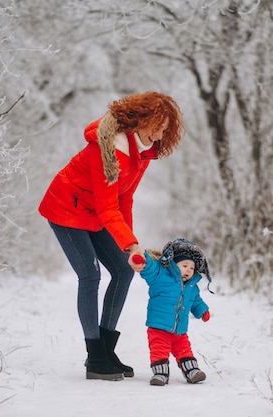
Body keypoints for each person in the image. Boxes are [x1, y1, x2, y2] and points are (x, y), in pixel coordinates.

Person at [38, 92, 185, 381]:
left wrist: (129, 247)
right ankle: (95, 357)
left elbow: (124, 200)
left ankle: (106, 348)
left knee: (122, 270)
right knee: (90, 276)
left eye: (165, 129)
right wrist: (130, 243)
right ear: (139, 120)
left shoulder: (142, 151)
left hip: (95, 211)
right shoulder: (109, 151)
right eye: (156, 125)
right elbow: (108, 207)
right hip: (67, 208)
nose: (159, 134)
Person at [135, 238, 213, 386]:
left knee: (184, 350)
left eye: (192, 268)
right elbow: (150, 268)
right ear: (173, 263)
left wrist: (203, 311)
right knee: (159, 351)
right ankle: (160, 373)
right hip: (158, 327)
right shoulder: (160, 275)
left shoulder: (192, 287)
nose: (189, 270)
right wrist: (142, 259)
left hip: (179, 330)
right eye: (185, 265)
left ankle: (192, 371)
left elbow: (196, 301)